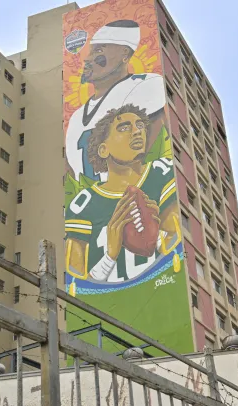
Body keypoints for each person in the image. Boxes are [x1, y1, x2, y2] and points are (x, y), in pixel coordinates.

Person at [65, 104, 179, 283]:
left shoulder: (162, 173)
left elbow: (179, 247)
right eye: (124, 127)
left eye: (140, 125)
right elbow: (75, 282)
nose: (136, 131)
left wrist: (155, 235)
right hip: (104, 306)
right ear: (103, 149)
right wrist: (110, 256)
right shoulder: (83, 205)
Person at [65, 19, 166, 183]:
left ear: (124, 54)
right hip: (93, 204)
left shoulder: (143, 85)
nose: (88, 59)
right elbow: (70, 176)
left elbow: (155, 151)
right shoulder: (76, 117)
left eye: (98, 50)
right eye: (90, 52)